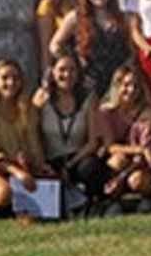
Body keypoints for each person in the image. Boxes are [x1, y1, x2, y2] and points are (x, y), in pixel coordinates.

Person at [0, 60, 49, 217]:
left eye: (15, 78)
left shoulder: (27, 110)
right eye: (5, 78)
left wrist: (31, 162)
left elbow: (34, 145)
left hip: (24, 169)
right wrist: (17, 172)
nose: (11, 82)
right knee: (3, 194)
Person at [34, 52, 106, 213]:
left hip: (77, 157)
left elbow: (92, 142)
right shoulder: (41, 98)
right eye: (62, 70)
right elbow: (33, 135)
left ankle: (95, 204)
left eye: (72, 70)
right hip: (50, 160)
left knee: (91, 167)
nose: (67, 75)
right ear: (52, 71)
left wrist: (69, 165)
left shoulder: (88, 99)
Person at [93, 65, 151, 213]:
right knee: (117, 161)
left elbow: (146, 154)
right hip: (119, 159)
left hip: (140, 163)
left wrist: (122, 177)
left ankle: (148, 201)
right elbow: (110, 146)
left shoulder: (148, 114)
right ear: (117, 86)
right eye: (126, 85)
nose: (131, 90)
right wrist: (140, 149)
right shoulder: (106, 112)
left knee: (137, 180)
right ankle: (112, 202)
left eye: (135, 86)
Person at [36, 0, 82, 75]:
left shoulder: (85, 1)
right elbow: (45, 44)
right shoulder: (48, 4)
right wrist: (46, 71)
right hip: (61, 66)